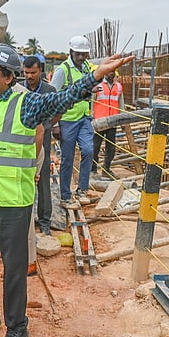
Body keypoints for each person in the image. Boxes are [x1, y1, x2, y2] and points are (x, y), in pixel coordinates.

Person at [0, 44, 133, 337]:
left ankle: (17, 326)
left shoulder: (26, 105)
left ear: (8, 77)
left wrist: (96, 76)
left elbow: (62, 98)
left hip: (12, 202)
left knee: (14, 265)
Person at [51, 35, 96, 209]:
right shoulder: (63, 70)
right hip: (67, 120)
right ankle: (65, 196)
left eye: (85, 54)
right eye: (79, 54)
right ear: (71, 52)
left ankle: (82, 190)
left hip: (84, 118)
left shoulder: (86, 68)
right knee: (67, 159)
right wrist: (54, 124)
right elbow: (53, 97)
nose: (83, 57)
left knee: (88, 150)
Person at [20, 55, 55, 236]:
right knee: (22, 180)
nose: (29, 76)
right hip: (22, 141)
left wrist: (48, 125)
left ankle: (45, 221)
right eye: (26, 73)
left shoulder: (49, 90)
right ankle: (24, 221)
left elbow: (58, 112)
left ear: (40, 71)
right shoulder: (18, 90)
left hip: (44, 141)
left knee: (42, 182)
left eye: (33, 72)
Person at [91, 70, 124, 178]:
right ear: (104, 73)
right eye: (109, 72)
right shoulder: (98, 86)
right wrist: (91, 119)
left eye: (113, 72)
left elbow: (121, 104)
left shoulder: (118, 87)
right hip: (99, 122)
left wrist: (123, 120)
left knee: (111, 148)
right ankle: (93, 170)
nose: (111, 74)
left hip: (113, 122)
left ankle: (106, 168)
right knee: (95, 147)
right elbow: (92, 103)